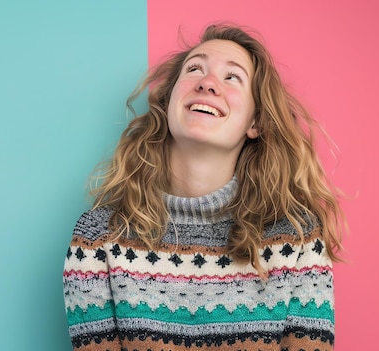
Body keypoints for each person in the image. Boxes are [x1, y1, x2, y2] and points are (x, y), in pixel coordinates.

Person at [62, 23, 345, 351]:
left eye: (232, 77)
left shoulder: (297, 240)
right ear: (168, 104)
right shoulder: (98, 239)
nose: (208, 83)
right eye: (195, 69)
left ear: (255, 122)